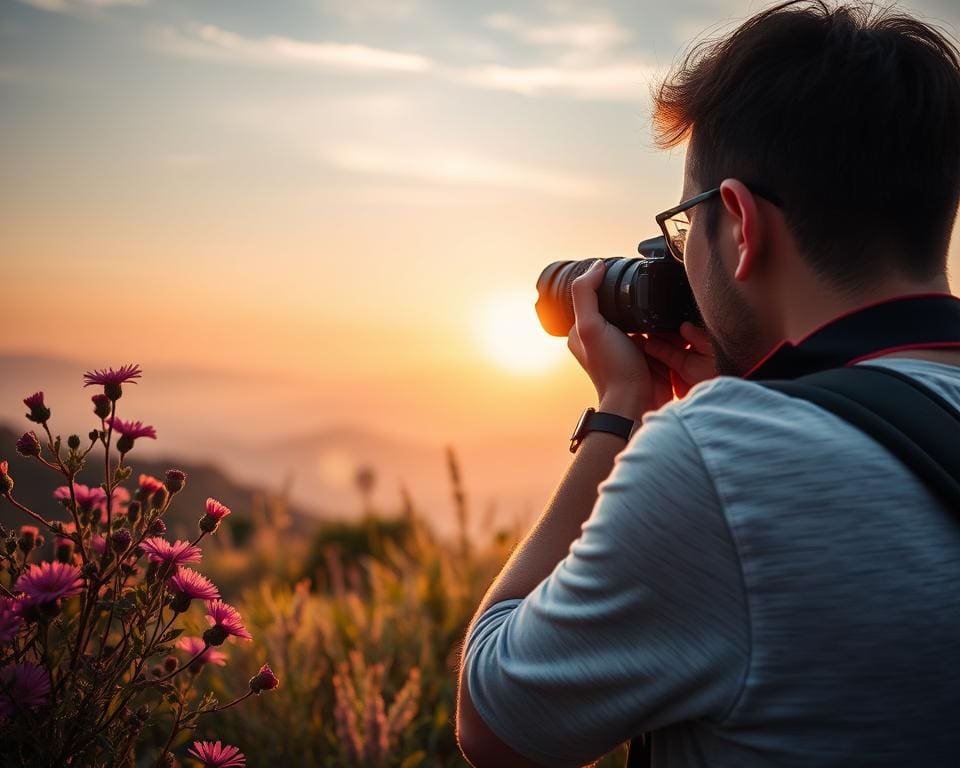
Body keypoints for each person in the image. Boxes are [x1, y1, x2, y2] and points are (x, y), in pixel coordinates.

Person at [455, 1, 960, 766]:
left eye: (685, 227)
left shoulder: (723, 457)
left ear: (741, 223)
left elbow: (496, 721)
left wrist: (620, 413)